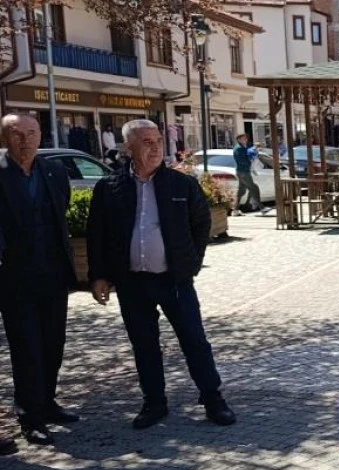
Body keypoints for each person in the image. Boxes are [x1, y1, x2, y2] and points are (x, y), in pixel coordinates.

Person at [86, 119, 236, 430]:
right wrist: (98, 275)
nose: (155, 148)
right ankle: (154, 402)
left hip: (174, 280)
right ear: (129, 148)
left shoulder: (181, 185)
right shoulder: (110, 187)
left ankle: (213, 399)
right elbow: (96, 233)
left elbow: (201, 224)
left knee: (194, 340)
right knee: (144, 345)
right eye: (146, 142)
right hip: (132, 282)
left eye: (157, 141)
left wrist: (190, 263)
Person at [0, 113, 79, 446]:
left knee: (52, 344)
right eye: (17, 134)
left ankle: (47, 403)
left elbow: (62, 211)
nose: (25, 141)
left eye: (31, 133)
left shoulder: (54, 171)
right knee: (27, 348)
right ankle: (30, 417)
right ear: (4, 138)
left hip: (53, 274)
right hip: (14, 278)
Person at [233, 134, 262, 213]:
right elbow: (241, 160)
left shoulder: (243, 147)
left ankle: (235, 210)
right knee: (254, 188)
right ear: (238, 140)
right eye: (243, 138)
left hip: (243, 171)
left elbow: (249, 154)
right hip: (243, 172)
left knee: (241, 191)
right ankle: (261, 208)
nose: (245, 140)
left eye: (246, 138)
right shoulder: (239, 149)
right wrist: (250, 161)